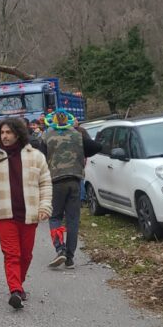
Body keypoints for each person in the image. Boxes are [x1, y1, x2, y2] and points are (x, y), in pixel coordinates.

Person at [0, 117, 52, 309]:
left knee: (26, 255)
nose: (5, 136)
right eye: (2, 132)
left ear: (18, 134)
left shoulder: (36, 156)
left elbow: (45, 183)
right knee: (12, 254)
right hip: (5, 215)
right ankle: (15, 290)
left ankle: (19, 284)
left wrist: (45, 206)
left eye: (8, 132)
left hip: (29, 214)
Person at [43, 111, 102, 269]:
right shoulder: (77, 135)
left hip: (55, 181)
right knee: (73, 219)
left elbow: (39, 155)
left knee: (55, 217)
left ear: (52, 121)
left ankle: (60, 249)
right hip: (75, 180)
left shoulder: (47, 135)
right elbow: (97, 147)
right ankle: (69, 258)